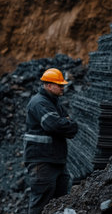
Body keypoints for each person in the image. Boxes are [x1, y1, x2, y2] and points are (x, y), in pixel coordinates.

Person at [23, 68, 78, 214]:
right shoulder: (39, 103)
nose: (63, 87)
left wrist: (66, 124)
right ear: (48, 85)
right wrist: (65, 123)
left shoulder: (54, 103)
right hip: (41, 161)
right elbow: (54, 125)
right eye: (59, 85)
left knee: (60, 202)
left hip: (56, 160)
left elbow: (71, 128)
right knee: (40, 204)